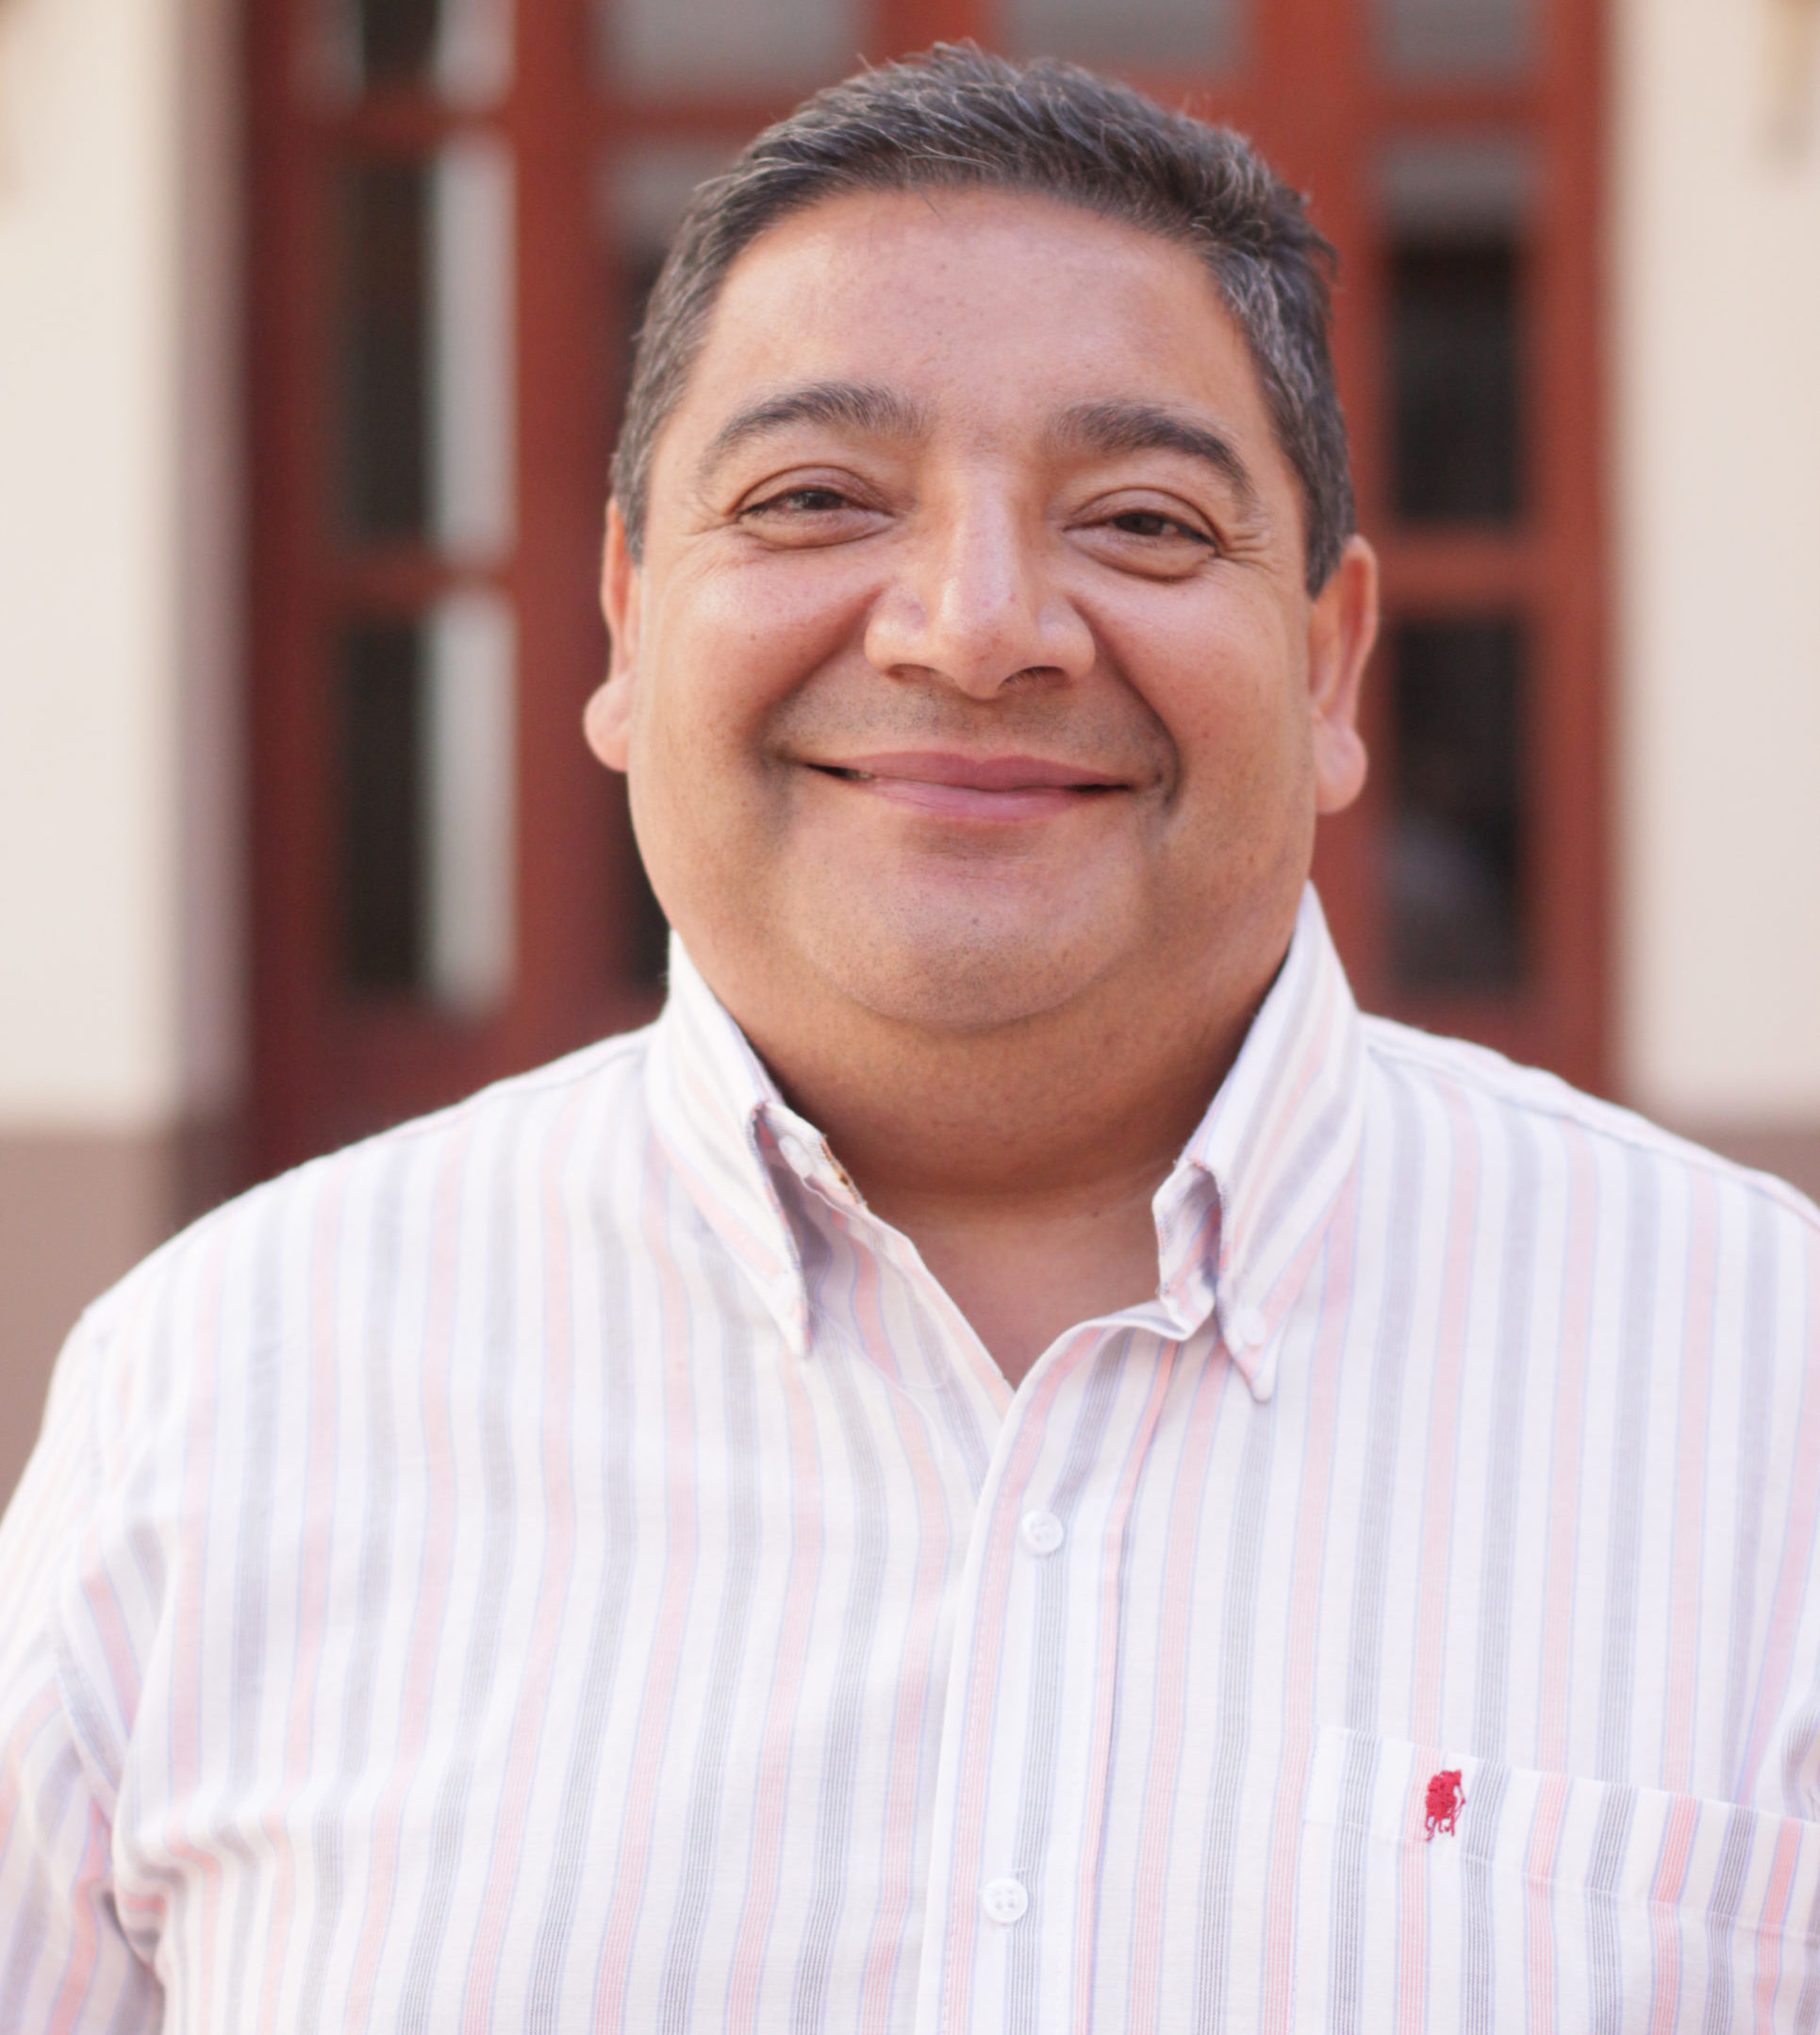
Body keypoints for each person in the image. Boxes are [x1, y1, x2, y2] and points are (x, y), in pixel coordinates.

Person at [2, 44, 1817, 2034]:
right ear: (625, 621)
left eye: (1139, 519)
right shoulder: (222, 1390)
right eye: (812, 498)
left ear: (1324, 662)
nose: (972, 624)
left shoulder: (1759, 1389)